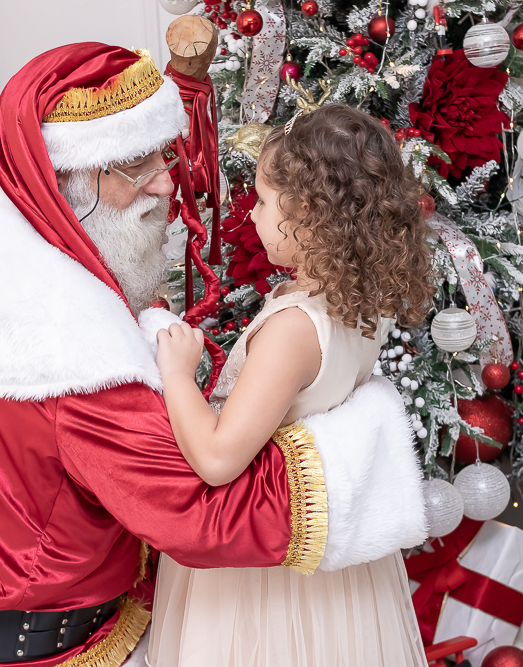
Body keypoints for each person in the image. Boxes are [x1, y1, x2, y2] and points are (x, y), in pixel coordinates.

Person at [0, 46, 427, 667]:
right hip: (33, 646)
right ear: (68, 175)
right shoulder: (68, 344)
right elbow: (205, 513)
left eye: (161, 153)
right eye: (133, 164)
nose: (165, 181)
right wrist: (368, 443)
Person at [148, 105, 435, 667]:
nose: (251, 214)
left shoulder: (293, 329)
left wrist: (177, 374)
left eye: (260, 199)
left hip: (263, 573)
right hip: (330, 579)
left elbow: (216, 458)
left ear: (304, 211)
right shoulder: (357, 303)